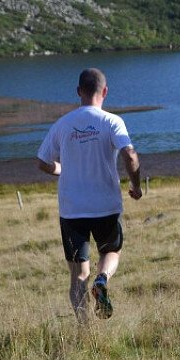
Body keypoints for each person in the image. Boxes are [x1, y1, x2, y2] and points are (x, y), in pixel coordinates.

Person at [37, 68, 143, 323]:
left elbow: (42, 161)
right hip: (106, 204)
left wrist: (60, 169)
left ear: (78, 92)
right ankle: (103, 278)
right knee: (111, 251)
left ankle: (84, 330)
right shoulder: (112, 121)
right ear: (105, 91)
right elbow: (130, 154)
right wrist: (136, 185)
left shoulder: (63, 124)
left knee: (77, 274)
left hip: (72, 210)